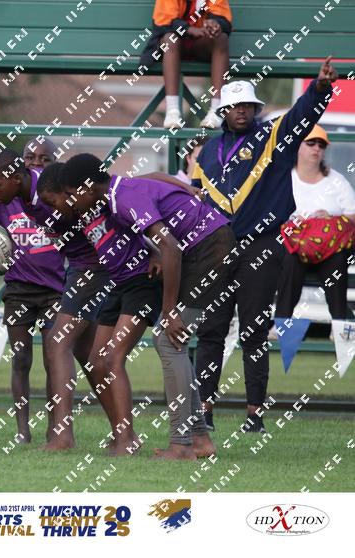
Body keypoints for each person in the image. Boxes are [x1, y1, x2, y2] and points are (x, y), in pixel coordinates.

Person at [191, 58, 338, 433]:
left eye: (248, 106)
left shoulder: (273, 137)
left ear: (256, 109)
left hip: (261, 245)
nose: (242, 111)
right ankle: (203, 410)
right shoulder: (207, 151)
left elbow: (301, 116)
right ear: (224, 111)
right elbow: (196, 200)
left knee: (254, 331)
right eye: (235, 106)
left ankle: (254, 414)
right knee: (210, 329)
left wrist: (319, 89)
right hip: (216, 248)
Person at [58, 153, 235, 460]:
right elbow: (153, 176)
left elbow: (170, 248)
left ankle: (182, 445)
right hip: (207, 244)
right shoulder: (118, 190)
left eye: (73, 194)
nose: (72, 202)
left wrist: (168, 312)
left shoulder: (123, 199)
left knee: (168, 340)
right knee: (170, 341)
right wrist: (184, 188)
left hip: (210, 247)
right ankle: (199, 440)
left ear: (87, 188)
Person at [38, 162, 162, 456]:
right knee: (96, 359)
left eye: (59, 200)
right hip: (117, 283)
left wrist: (156, 250)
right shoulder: (80, 211)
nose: (56, 209)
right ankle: (123, 436)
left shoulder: (102, 200)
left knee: (108, 357)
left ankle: (123, 440)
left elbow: (147, 183)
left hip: (138, 281)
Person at [0, 145, 65, 444]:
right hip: (19, 290)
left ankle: (56, 427)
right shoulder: (7, 200)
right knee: (21, 359)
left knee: (54, 360)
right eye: (31, 158)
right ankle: (22, 430)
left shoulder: (54, 198)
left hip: (55, 291)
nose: (37, 163)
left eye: (44, 159)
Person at [276, 125, 355, 322]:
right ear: (298, 146)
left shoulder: (337, 180)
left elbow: (352, 217)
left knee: (338, 262)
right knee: (289, 262)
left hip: (329, 250)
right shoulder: (284, 178)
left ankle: (339, 326)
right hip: (294, 248)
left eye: (321, 145)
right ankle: (282, 323)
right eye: (311, 143)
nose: (316, 148)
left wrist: (330, 219)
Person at [139, 0, 232, 129]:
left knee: (221, 38)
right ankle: (172, 111)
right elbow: (164, 23)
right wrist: (189, 30)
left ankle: (216, 110)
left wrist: (216, 24)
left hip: (200, 43)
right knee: (170, 39)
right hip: (175, 45)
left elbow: (224, 20)